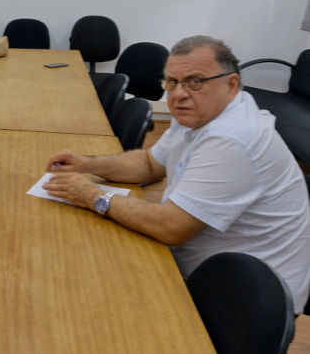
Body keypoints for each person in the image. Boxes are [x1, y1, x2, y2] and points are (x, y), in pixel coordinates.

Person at [43, 36, 310, 314]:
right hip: (200, 267)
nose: (179, 94)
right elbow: (149, 163)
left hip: (245, 301)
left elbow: (172, 226)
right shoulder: (201, 113)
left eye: (195, 81)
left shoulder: (234, 139)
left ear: (230, 84)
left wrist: (92, 196)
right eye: (172, 82)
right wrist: (87, 164)